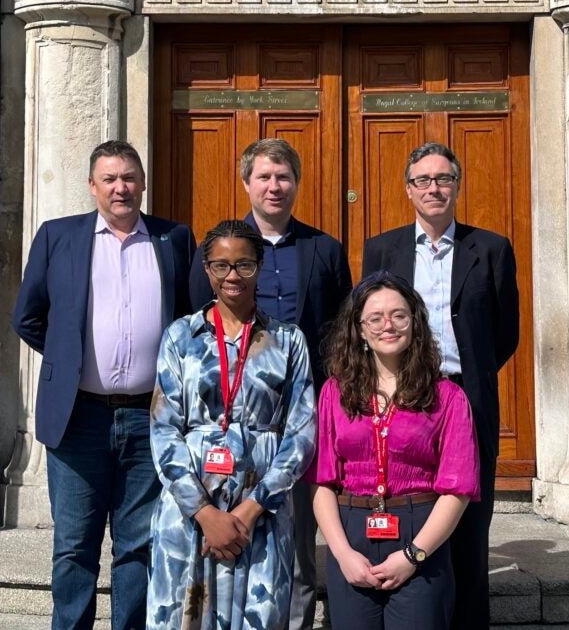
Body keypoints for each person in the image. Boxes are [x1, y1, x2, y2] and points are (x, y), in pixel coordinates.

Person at [12, 140, 196, 630]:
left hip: (149, 416)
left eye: (129, 177)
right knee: (74, 545)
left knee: (139, 544)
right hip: (78, 417)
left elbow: (188, 320)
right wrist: (68, 362)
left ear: (142, 183)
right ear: (92, 186)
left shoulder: (172, 239)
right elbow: (27, 317)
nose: (121, 187)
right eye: (110, 178)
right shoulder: (59, 237)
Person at [190, 138, 352, 629]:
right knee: (227, 530)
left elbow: (344, 330)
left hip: (298, 424)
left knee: (297, 544)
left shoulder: (324, 250)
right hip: (227, 422)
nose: (274, 186)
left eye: (283, 177)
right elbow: (198, 328)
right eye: (264, 176)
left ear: (297, 184)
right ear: (247, 183)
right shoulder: (220, 250)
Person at [361, 142, 519, 630]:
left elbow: (505, 332)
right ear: (409, 190)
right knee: (413, 514)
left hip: (466, 400)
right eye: (423, 180)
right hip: (401, 398)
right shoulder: (382, 249)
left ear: (457, 185)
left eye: (443, 179)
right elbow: (370, 323)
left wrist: (464, 376)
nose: (434, 188)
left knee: (469, 528)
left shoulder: (490, 248)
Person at [150, 219, 317, 630]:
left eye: (244, 264)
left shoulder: (289, 340)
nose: (232, 276)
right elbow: (163, 429)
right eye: (221, 265)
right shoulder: (179, 337)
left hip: (261, 510)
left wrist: (251, 507)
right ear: (206, 269)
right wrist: (204, 513)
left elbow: (301, 433)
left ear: (259, 267)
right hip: (189, 509)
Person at [311, 272, 478, 630]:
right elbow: (322, 483)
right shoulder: (334, 393)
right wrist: (342, 555)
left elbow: (457, 489)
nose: (388, 325)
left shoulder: (447, 397)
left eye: (399, 315)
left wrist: (412, 555)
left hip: (420, 539)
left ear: (415, 323)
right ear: (360, 330)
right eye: (375, 318)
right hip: (351, 537)